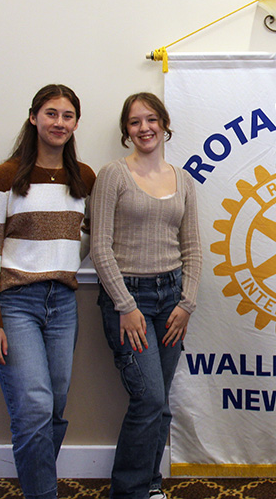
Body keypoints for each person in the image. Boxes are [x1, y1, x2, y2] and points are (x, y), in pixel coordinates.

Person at [0, 84, 96, 499]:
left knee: (54, 409)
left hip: (62, 303)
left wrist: (64, 256)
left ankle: (37, 483)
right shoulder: (5, 176)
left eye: (67, 115)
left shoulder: (85, 177)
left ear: (76, 123)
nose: (59, 122)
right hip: (16, 304)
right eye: (50, 113)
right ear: (33, 118)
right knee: (34, 409)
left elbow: (91, 235)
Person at [91, 92, 202, 499]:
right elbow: (100, 248)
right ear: (126, 131)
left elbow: (192, 247)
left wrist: (187, 303)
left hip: (172, 299)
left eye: (151, 119)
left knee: (161, 402)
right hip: (128, 300)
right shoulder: (113, 176)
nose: (145, 128)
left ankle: (151, 485)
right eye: (135, 122)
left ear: (164, 123)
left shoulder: (183, 179)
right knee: (149, 399)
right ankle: (129, 491)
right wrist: (126, 306)